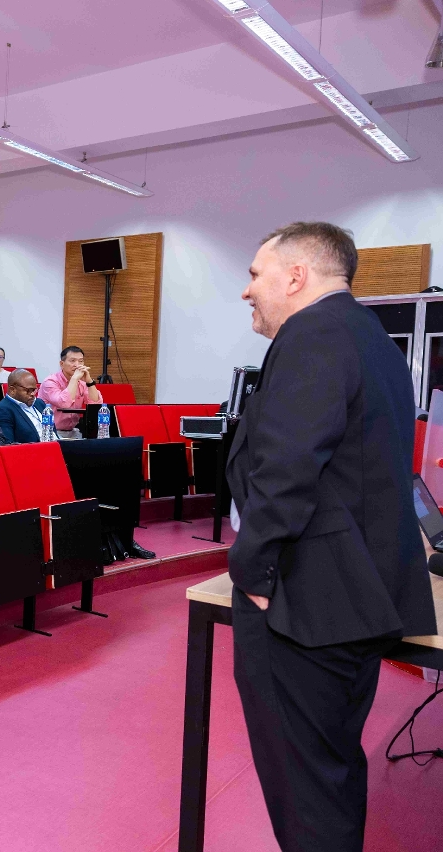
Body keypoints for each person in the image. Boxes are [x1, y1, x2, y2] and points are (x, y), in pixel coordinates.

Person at [228, 222, 435, 852]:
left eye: (256, 274)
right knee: (330, 770)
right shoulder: (369, 336)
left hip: (306, 603)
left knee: (306, 789)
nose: (247, 290)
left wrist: (254, 573)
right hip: (355, 595)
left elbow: (286, 467)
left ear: (296, 276)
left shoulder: (313, 334)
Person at [38, 345, 102, 439]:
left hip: (73, 431)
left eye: (81, 361)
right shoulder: (50, 382)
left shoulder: (82, 382)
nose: (77, 365)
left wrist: (89, 381)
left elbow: (96, 405)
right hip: (50, 431)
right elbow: (64, 403)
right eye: (72, 361)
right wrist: (74, 379)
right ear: (62, 364)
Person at [0, 370, 49, 444]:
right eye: (28, 390)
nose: (32, 394)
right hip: (35, 449)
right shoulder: (2, 409)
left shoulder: (39, 403)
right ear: (12, 390)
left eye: (34, 390)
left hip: (56, 445)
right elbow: (8, 444)